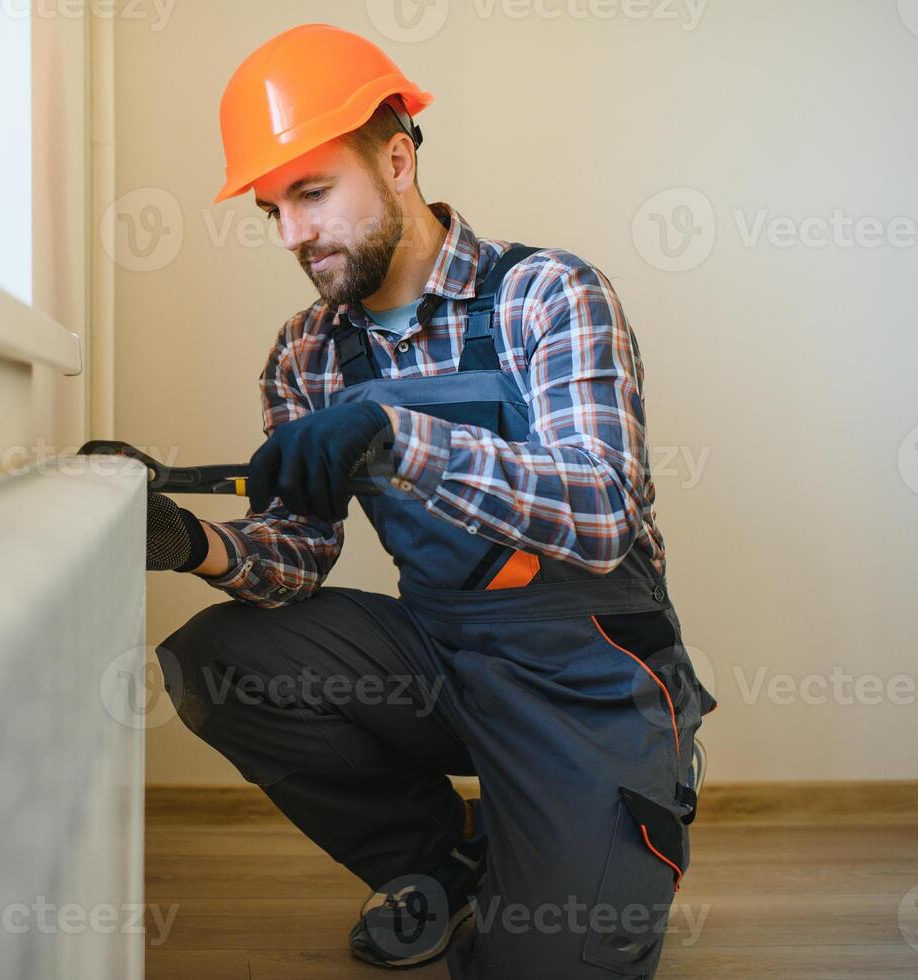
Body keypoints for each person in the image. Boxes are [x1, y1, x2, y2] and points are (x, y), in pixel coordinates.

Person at [146, 22, 718, 978]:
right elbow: (295, 558)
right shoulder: (306, 353)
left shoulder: (547, 295)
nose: (293, 234)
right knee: (218, 660)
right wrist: (186, 541)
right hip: (446, 658)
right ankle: (442, 860)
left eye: (314, 193)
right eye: (272, 209)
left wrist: (398, 437)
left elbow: (601, 505)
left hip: (586, 679)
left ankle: (604, 802)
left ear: (399, 160)